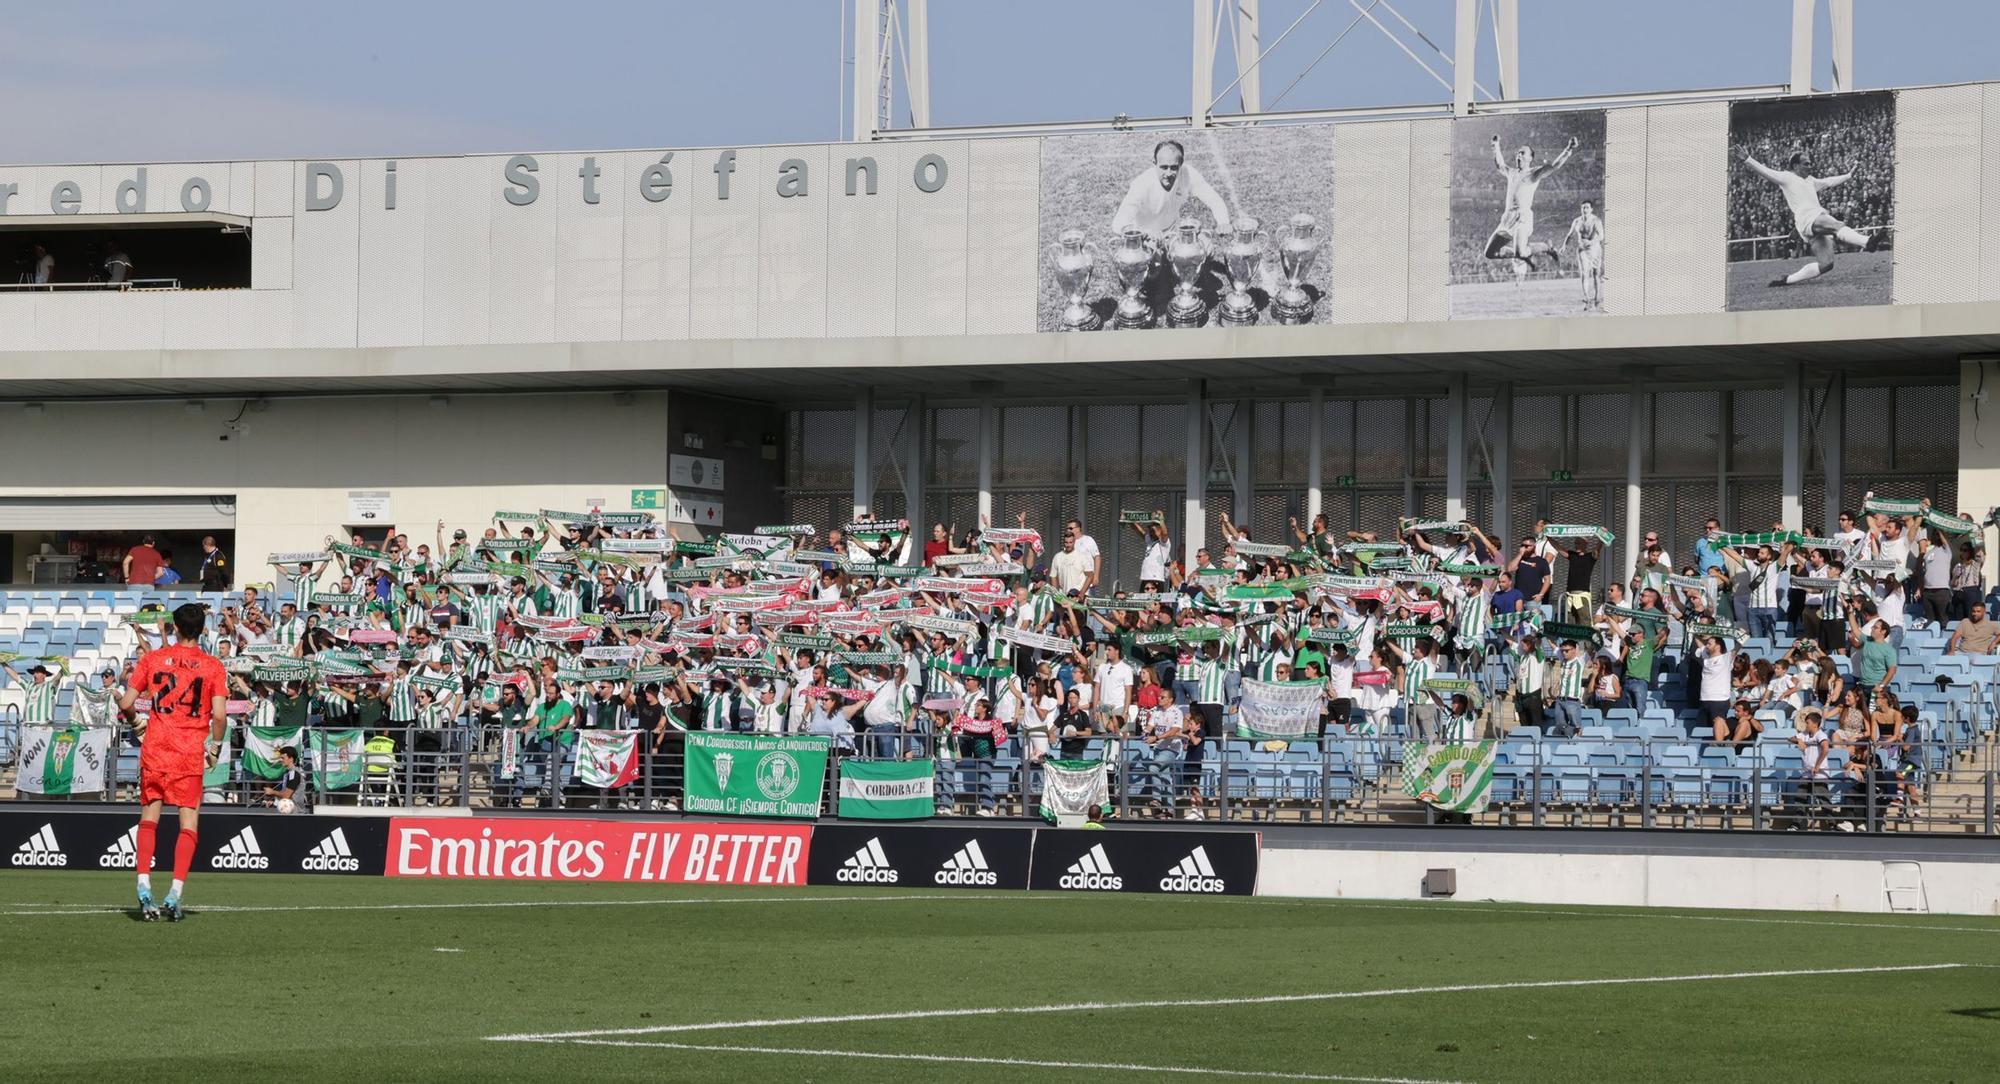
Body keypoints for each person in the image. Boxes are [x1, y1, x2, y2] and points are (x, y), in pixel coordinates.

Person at [116, 603, 227, 922]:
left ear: (175, 628)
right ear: (203, 629)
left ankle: (142, 885)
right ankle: (175, 892)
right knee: (188, 823)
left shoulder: (151, 659)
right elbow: (219, 715)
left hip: (155, 749)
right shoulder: (213, 666)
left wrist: (137, 721)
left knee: (149, 817)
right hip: (189, 753)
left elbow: (125, 702)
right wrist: (215, 747)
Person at [1742, 147, 1882, 289]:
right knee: (1836, 225)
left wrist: (1849, 175)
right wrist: (1748, 159)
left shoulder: (1810, 180)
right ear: (1795, 166)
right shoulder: (1786, 177)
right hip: (1806, 217)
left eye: (1810, 163)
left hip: (1811, 221)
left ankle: (1787, 280)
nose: (1810, 166)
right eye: (1806, 163)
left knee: (1826, 264)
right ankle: (1867, 242)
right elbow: (1765, 172)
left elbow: (1829, 181)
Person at [1481, 134, 1579, 285]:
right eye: (1518, 153)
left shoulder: (1534, 173)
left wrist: (1568, 149)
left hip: (1523, 217)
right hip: (1507, 218)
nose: (1518, 155)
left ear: (1530, 158)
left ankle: (1547, 248)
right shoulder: (1512, 173)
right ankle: (1519, 252)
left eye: (1522, 153)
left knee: (1521, 252)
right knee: (1489, 253)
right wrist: (1495, 145)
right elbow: (1500, 164)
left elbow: (1554, 166)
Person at [1110, 139, 1232, 242]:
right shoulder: (1141, 184)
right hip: (1146, 237)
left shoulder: (1188, 173)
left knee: (1206, 249)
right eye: (1164, 167)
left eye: (1174, 168)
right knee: (1156, 265)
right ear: (1154, 163)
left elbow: (1213, 199)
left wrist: (1223, 222)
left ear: (1181, 164)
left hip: (1174, 231)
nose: (1168, 173)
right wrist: (1145, 233)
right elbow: (1118, 223)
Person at [1561, 200, 1604, 311]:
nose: (1585, 210)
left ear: (1591, 209)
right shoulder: (1576, 221)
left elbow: (1601, 236)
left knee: (1596, 274)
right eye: (1583, 208)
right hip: (1582, 250)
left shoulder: (1596, 220)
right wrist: (1564, 246)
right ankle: (1586, 300)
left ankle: (1597, 300)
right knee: (1584, 274)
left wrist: (1591, 242)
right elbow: (1569, 235)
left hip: (1595, 249)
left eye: (1587, 207)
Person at [259, 746, 306, 812]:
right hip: (288, 812)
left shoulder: (294, 774)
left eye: (283, 758)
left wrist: (272, 792)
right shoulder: (288, 773)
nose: (281, 760)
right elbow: (286, 794)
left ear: (291, 759)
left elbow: (286, 795)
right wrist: (275, 802)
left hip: (295, 813)